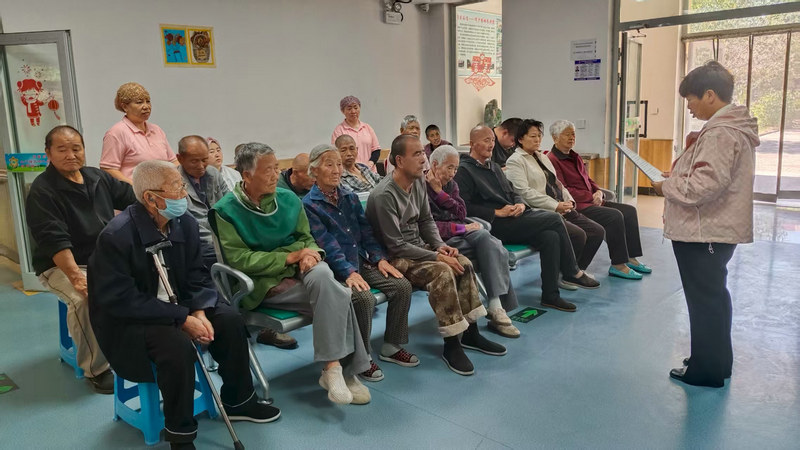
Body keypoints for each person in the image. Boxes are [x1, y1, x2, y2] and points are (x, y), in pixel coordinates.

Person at [88, 161, 279, 450]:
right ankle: (180, 434)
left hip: (181, 303)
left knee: (228, 319)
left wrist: (199, 310)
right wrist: (182, 318)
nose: (183, 194)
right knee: (176, 346)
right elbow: (122, 300)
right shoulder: (117, 236)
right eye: (176, 188)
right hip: (133, 319)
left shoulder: (184, 223)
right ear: (151, 198)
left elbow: (198, 273)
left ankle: (239, 400)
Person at [211, 143, 371, 404]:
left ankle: (334, 370)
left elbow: (306, 238)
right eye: (268, 170)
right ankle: (345, 372)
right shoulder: (226, 210)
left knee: (324, 277)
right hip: (264, 283)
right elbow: (240, 259)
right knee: (339, 295)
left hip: (302, 270)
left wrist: (309, 253)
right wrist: (291, 256)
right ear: (247, 175)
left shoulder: (288, 199)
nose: (276, 175)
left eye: (277, 168)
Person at [652, 61, 759, 388]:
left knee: (704, 300)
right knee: (714, 296)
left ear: (710, 95)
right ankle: (715, 360)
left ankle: (706, 370)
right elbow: (710, 175)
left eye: (691, 99)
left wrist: (665, 186)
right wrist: (679, 176)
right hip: (714, 227)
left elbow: (704, 186)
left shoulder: (720, 132)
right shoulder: (731, 127)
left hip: (705, 231)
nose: (689, 107)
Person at [366, 134, 506, 376]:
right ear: (399, 161)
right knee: (443, 272)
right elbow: (396, 245)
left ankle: (471, 334)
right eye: (417, 154)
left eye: (423, 152)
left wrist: (440, 246)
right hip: (394, 258)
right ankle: (451, 345)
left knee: (463, 263)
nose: (424, 159)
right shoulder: (384, 195)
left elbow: (426, 220)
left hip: (419, 248)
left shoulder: (419, 181)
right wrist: (437, 258)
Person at [25, 125, 136, 394]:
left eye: (76, 148)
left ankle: (136, 345)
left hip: (104, 258)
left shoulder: (97, 177)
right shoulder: (42, 191)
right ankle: (96, 368)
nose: (71, 155)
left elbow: (131, 196)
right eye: (62, 149)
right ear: (48, 153)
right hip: (61, 265)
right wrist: (76, 277)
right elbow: (55, 240)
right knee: (83, 300)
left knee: (150, 276)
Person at [454, 126, 599, 313]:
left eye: (492, 140)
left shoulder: (494, 167)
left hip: (515, 217)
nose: (491, 144)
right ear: (472, 144)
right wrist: (497, 212)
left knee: (550, 237)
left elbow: (513, 192)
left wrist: (520, 204)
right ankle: (572, 271)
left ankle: (550, 296)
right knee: (554, 219)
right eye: (486, 140)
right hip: (495, 225)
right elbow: (464, 207)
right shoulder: (464, 171)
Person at [303, 144, 416, 382]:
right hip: (335, 270)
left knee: (402, 286)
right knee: (363, 299)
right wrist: (348, 272)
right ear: (314, 171)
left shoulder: (349, 196)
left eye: (338, 164)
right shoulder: (309, 205)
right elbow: (326, 245)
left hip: (361, 260)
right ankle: (361, 358)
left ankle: (392, 345)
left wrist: (379, 259)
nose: (336, 170)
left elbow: (367, 233)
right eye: (329, 164)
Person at [197, 138, 296, 350]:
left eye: (213, 152)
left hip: (268, 257)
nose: (204, 162)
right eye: (198, 158)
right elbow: (216, 218)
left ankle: (343, 362)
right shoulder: (182, 185)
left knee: (331, 286)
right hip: (211, 243)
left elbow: (304, 239)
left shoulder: (218, 175)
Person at [426, 145, 520, 338]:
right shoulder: (421, 187)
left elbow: (461, 212)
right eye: (449, 167)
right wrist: (461, 228)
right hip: (440, 241)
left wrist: (441, 194)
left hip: (460, 232)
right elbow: (429, 226)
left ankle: (495, 305)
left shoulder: (451, 185)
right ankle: (497, 306)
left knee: (486, 239)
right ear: (434, 165)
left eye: (455, 168)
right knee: (491, 244)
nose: (453, 173)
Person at [547, 120, 651, 279]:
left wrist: (598, 191)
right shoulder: (552, 160)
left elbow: (588, 179)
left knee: (629, 211)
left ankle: (630, 257)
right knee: (614, 216)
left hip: (592, 201)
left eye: (573, 134)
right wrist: (591, 196)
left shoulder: (575, 156)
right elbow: (564, 190)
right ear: (555, 138)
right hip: (578, 206)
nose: (572, 137)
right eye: (567, 134)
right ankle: (618, 264)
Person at [505, 119, 604, 273]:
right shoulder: (515, 161)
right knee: (578, 235)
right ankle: (568, 273)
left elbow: (558, 183)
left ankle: (577, 270)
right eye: (533, 136)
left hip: (560, 206)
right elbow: (524, 192)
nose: (537, 140)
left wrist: (569, 200)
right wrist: (555, 205)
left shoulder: (542, 157)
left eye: (539, 136)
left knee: (597, 231)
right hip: (542, 211)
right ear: (521, 139)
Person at [100, 82, 177, 184]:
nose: (146, 106)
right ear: (125, 107)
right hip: (133, 191)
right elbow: (108, 169)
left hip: (163, 189)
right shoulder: (116, 133)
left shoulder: (156, 130)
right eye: (139, 102)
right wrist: (136, 188)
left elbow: (173, 161)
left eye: (148, 101)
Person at [176, 135, 229, 269]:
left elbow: (230, 205)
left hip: (225, 236)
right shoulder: (174, 182)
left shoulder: (213, 173)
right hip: (199, 243)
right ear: (180, 159)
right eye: (194, 161)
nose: (201, 166)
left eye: (205, 160)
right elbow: (189, 225)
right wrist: (220, 244)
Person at [331, 95, 381, 171]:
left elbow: (376, 150)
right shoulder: (339, 130)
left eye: (356, 107)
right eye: (349, 108)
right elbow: (336, 153)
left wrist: (369, 165)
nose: (353, 111)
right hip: (349, 172)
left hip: (370, 171)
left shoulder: (367, 128)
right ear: (343, 111)